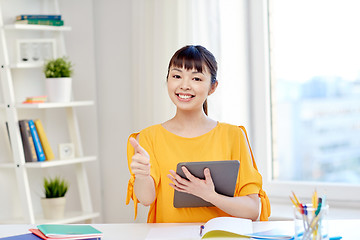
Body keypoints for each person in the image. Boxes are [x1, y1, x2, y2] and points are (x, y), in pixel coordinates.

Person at [126, 45, 270, 223]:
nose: (184, 85)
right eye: (177, 76)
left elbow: (252, 210)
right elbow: (146, 200)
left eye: (196, 78)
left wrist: (210, 195)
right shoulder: (149, 137)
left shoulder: (233, 136)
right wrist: (142, 175)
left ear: (213, 87)